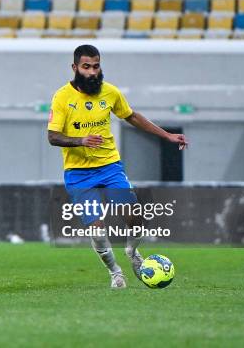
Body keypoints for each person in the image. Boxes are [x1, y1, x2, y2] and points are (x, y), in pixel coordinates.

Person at [47, 45, 188, 289]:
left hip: (110, 167)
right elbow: (52, 136)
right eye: (86, 67)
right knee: (97, 230)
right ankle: (115, 272)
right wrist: (81, 140)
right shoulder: (62, 97)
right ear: (75, 68)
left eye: (96, 66)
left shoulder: (109, 92)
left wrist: (167, 135)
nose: (92, 72)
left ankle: (132, 252)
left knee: (135, 218)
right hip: (79, 174)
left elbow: (131, 116)